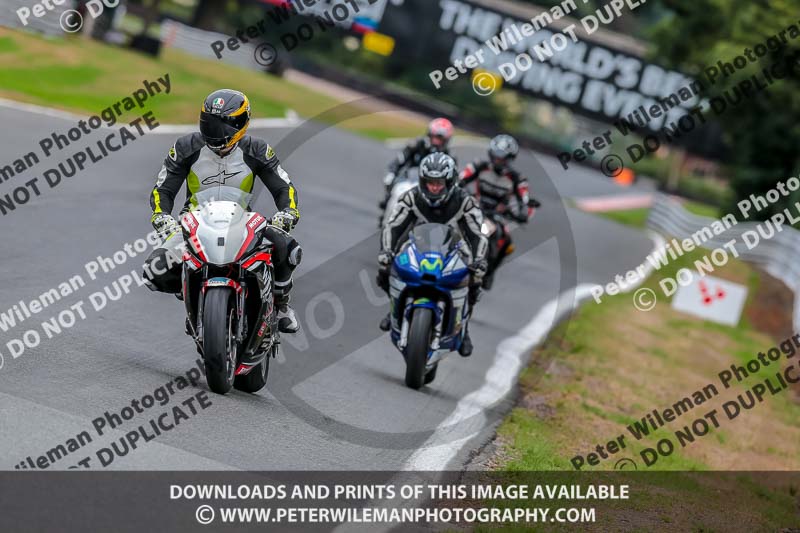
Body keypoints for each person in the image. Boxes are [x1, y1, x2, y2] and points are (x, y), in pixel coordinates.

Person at [143, 89, 302, 333]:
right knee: (154, 270)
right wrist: (162, 216)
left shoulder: (257, 150)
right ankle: (192, 296)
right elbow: (163, 189)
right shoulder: (186, 147)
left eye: (222, 126)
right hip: (193, 222)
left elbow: (284, 187)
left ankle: (281, 304)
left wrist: (287, 212)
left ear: (240, 123)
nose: (215, 132)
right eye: (209, 123)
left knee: (287, 248)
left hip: (242, 222)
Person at [377, 153, 488, 357]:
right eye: (429, 183)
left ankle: (464, 329)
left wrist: (479, 260)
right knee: (385, 266)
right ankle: (393, 309)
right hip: (417, 245)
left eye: (439, 183)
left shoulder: (465, 202)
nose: (434, 187)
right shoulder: (411, 197)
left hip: (454, 249)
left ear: (450, 181)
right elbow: (392, 226)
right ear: (422, 181)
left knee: (476, 278)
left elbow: (477, 235)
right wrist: (387, 251)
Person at [379, 118, 455, 216]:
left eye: (440, 139)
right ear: (429, 134)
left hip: (431, 188)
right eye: (435, 137)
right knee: (395, 191)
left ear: (446, 140)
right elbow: (399, 160)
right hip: (408, 180)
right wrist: (391, 174)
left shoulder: (449, 157)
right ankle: (387, 218)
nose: (436, 142)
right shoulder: (416, 145)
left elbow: (453, 179)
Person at [459, 134, 538, 221]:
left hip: (497, 218)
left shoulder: (518, 179)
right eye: (495, 155)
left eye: (501, 157)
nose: (497, 159)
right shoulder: (479, 166)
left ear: (509, 158)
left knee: (500, 233)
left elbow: (525, 201)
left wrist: (524, 212)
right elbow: (460, 178)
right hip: (473, 209)